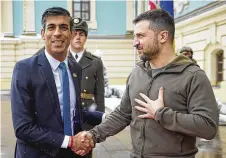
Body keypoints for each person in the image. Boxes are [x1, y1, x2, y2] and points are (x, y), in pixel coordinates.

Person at [79, 9, 219, 157]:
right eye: (134, 37)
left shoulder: (192, 76)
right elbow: (123, 114)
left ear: (163, 36)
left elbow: (208, 127)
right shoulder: (137, 73)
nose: (135, 43)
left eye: (140, 36)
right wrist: (93, 135)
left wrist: (161, 114)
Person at [11, 7, 103, 158]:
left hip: (72, 153)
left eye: (64, 27)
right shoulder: (25, 69)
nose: (57, 33)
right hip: (38, 154)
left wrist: (108, 117)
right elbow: (23, 128)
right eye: (51, 27)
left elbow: (72, 110)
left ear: (71, 34)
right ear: (43, 34)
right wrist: (70, 141)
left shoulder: (75, 68)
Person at [68, 18, 105, 158]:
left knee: (84, 153)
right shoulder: (62, 58)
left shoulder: (95, 62)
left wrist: (99, 122)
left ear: (86, 37)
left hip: (87, 116)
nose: (78, 37)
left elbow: (99, 93)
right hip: (67, 116)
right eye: (75, 33)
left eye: (81, 34)